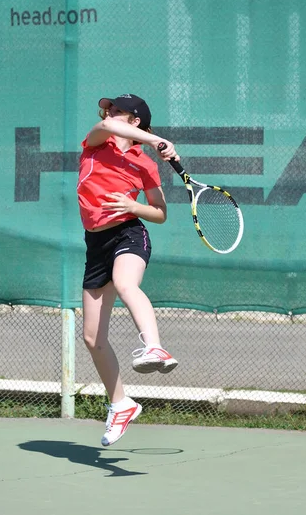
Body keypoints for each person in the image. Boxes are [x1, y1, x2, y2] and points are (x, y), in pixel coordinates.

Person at [77, 93, 180, 446]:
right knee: (92, 338)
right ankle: (120, 404)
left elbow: (160, 213)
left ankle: (154, 347)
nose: (109, 113)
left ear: (134, 121)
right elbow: (104, 126)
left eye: (119, 110)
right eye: (109, 108)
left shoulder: (144, 165)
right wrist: (156, 140)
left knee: (125, 282)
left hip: (129, 234)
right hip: (95, 244)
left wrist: (131, 206)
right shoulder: (96, 143)